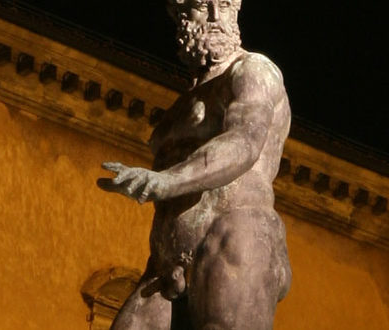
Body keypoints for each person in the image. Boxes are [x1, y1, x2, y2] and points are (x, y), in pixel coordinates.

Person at [98, 0, 292, 328]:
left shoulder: (253, 71)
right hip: (164, 264)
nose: (217, 17)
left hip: (235, 237)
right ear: (180, 15)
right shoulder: (183, 104)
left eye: (226, 6)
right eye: (203, 6)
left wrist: (166, 181)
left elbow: (244, 142)